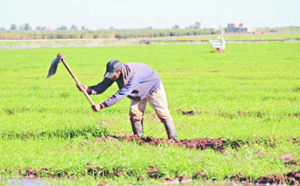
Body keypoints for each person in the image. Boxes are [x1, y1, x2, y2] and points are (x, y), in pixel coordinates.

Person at [77, 60, 177, 140]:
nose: (111, 78)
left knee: (163, 114)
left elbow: (121, 93)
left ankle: (173, 140)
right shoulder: (113, 74)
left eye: (113, 75)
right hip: (137, 93)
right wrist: (88, 89)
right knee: (134, 113)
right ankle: (138, 139)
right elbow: (103, 85)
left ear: (119, 71)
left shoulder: (133, 74)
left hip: (153, 89)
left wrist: (103, 105)